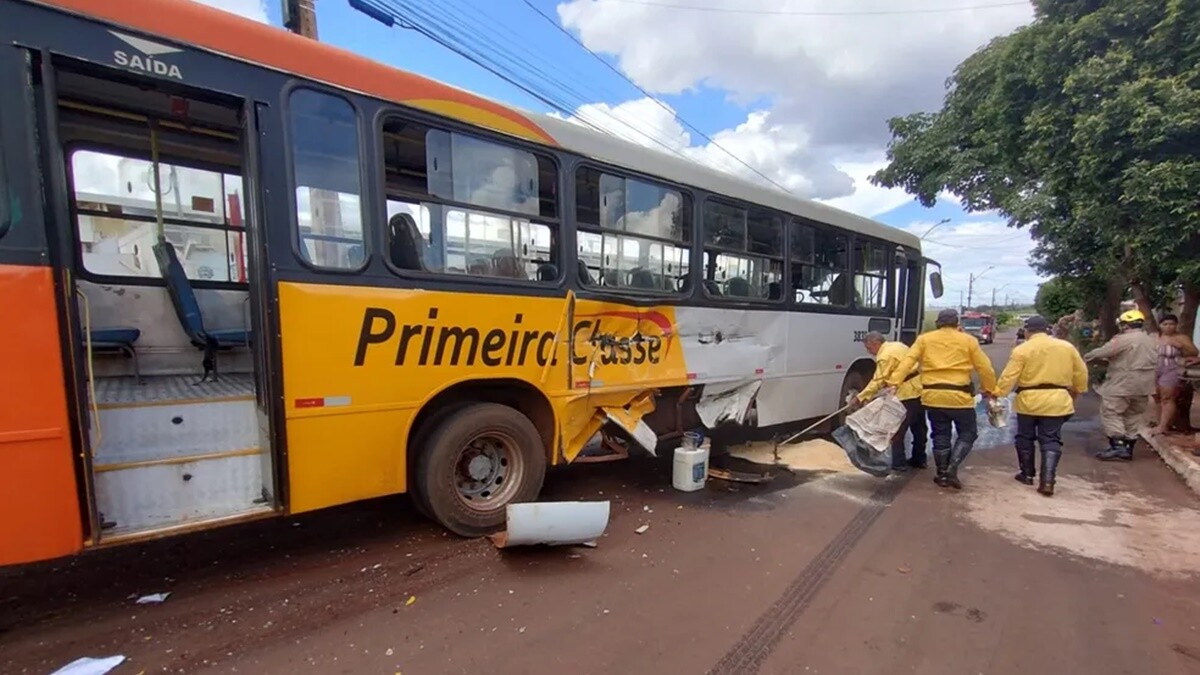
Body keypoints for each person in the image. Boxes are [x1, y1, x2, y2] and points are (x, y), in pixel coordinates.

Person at [887, 309, 998, 489]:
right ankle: (952, 467)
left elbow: (907, 362)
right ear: (957, 323)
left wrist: (894, 382)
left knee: (940, 434)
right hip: (959, 397)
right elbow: (985, 368)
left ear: (938, 323)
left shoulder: (924, 339)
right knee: (968, 433)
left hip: (932, 396)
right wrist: (990, 389)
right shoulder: (969, 340)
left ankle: (942, 474)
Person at [993, 316, 1088, 496]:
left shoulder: (1022, 350)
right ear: (1048, 330)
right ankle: (1048, 481)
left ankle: (1027, 474)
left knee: (1025, 437)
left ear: (1027, 331)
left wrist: (998, 394)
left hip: (1029, 401)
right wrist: (1078, 390)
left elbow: (1009, 376)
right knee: (1051, 439)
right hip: (1057, 400)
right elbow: (1081, 372)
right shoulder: (1067, 347)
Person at [1084, 309, 1159, 461]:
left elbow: (1101, 353)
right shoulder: (1152, 339)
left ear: (1125, 325)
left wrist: (1086, 357)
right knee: (1133, 414)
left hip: (1122, 384)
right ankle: (1128, 449)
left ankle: (1118, 446)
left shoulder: (1123, 339)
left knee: (1111, 412)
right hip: (1144, 386)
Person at [852, 332, 927, 472]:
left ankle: (898, 463)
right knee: (919, 427)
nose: (870, 352)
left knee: (897, 429)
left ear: (875, 343)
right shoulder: (898, 345)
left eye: (869, 348)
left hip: (906, 393)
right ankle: (919, 459)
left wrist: (861, 397)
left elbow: (878, 380)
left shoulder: (884, 356)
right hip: (920, 388)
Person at [1150, 313, 1198, 436]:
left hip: (1172, 368)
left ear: (1176, 325)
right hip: (1154, 369)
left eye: (1172, 324)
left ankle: (1163, 426)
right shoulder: (1154, 337)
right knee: (1157, 397)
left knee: (1168, 397)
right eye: (1165, 324)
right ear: (1160, 325)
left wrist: (1179, 346)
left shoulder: (1181, 337)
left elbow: (1193, 352)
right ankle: (1161, 422)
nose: (1168, 327)